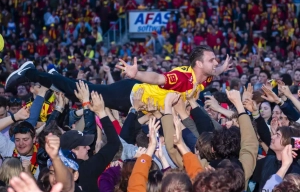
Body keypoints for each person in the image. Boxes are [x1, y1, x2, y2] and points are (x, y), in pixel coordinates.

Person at [5, 45, 232, 113]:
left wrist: (221, 68)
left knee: (81, 91)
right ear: (199, 64)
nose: (216, 62)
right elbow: (159, 78)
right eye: (212, 59)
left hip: (139, 107)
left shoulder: (203, 79)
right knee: (86, 92)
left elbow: (213, 73)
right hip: (130, 94)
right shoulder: (185, 76)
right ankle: (31, 73)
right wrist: (138, 73)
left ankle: (54, 77)